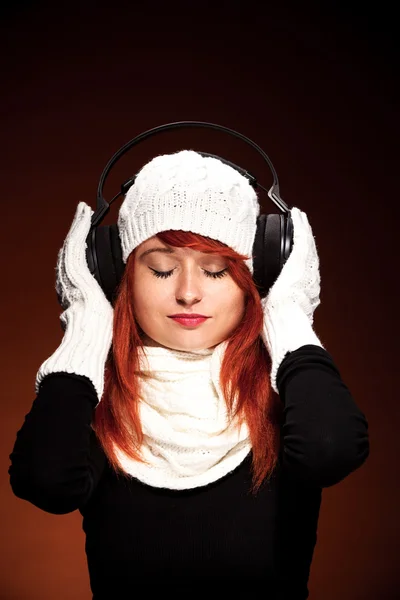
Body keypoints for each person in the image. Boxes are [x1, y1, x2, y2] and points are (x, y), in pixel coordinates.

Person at [9, 149, 370, 598]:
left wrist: (290, 312)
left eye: (216, 270)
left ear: (258, 276)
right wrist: (88, 322)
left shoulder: (289, 390)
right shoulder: (96, 395)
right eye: (161, 269)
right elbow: (45, 482)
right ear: (117, 275)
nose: (188, 293)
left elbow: (330, 450)